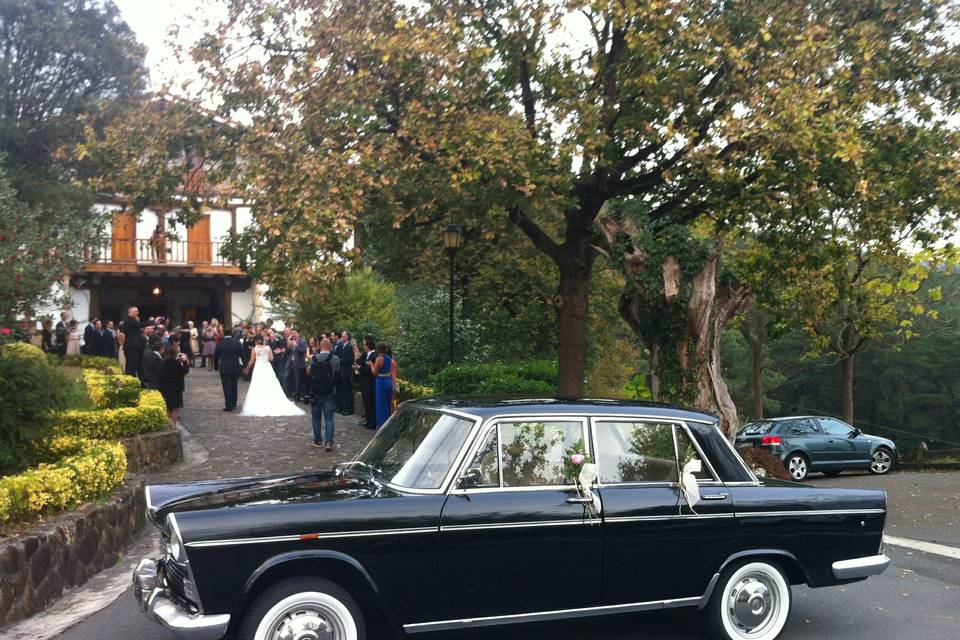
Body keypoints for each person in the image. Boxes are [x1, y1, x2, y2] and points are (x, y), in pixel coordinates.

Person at [241, 336, 303, 417]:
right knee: (270, 384)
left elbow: (251, 361)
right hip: (267, 367)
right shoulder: (268, 348)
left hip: (259, 368)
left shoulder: (254, 349)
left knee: (258, 385)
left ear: (256, 341)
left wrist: (247, 368)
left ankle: (260, 402)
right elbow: (271, 358)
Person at [308, 337, 339, 451]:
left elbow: (308, 372)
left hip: (315, 391)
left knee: (316, 417)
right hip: (328, 390)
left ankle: (317, 440)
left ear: (320, 347)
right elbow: (336, 373)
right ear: (330, 347)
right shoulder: (335, 359)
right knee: (329, 418)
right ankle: (329, 442)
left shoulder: (313, 358)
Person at [214, 330, 244, 411]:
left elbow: (216, 355)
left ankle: (228, 405)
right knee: (234, 385)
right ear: (232, 333)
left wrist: (216, 366)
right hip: (235, 367)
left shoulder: (220, 343)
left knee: (226, 387)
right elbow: (242, 354)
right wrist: (244, 365)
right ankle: (234, 403)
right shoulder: (237, 343)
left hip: (224, 367)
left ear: (224, 334)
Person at [159, 345, 189, 422]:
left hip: (165, 388)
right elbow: (185, 371)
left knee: (168, 408)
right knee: (175, 409)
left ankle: (168, 425)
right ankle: (173, 426)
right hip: (176, 389)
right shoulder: (177, 364)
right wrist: (185, 361)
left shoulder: (163, 363)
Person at [371, 341, 394, 429]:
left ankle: (381, 426)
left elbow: (374, 372)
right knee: (387, 404)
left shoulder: (379, 359)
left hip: (381, 381)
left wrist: (371, 365)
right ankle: (388, 425)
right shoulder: (389, 358)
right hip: (388, 380)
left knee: (381, 405)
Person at [357, 336, 377, 428]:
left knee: (370, 402)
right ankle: (368, 420)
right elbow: (359, 362)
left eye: (365, 345)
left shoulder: (373, 356)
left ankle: (371, 422)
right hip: (364, 382)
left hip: (369, 382)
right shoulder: (367, 354)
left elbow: (368, 370)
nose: (364, 347)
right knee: (366, 402)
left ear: (368, 346)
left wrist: (359, 368)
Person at [122, 306, 146, 379]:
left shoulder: (133, 320)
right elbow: (139, 324)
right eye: (136, 311)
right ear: (130, 312)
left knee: (139, 365)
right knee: (131, 367)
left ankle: (141, 381)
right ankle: (130, 381)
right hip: (132, 347)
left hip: (136, 347)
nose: (137, 313)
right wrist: (153, 322)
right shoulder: (129, 320)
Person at [284, 329, 307, 401]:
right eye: (292, 333)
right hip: (290, 363)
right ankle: (286, 394)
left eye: (295, 333)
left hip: (298, 364)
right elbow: (287, 352)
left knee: (297, 380)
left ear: (298, 334)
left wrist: (296, 345)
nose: (293, 335)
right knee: (287, 378)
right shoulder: (291, 340)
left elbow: (303, 351)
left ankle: (296, 396)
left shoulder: (302, 341)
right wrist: (288, 345)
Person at [336, 331, 356, 415]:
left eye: (343, 336)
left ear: (347, 337)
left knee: (347, 391)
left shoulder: (349, 347)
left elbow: (349, 359)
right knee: (342, 390)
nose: (342, 337)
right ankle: (343, 407)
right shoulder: (342, 345)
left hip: (347, 371)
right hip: (341, 371)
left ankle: (348, 409)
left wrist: (340, 360)